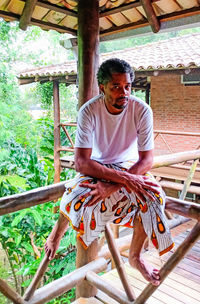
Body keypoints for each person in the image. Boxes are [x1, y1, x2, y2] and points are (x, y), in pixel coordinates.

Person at [45, 58, 174, 286]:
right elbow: (81, 163)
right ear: (102, 87)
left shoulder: (141, 110)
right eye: (116, 87)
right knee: (76, 195)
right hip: (97, 167)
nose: (123, 92)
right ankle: (57, 233)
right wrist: (120, 181)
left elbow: (147, 160)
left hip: (130, 167)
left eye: (127, 86)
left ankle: (135, 257)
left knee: (154, 197)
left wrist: (114, 185)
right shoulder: (89, 111)